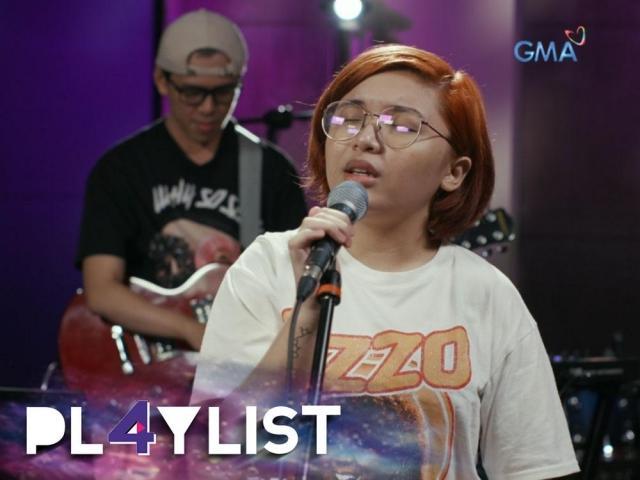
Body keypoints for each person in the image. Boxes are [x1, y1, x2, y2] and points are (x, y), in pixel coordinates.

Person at [191, 44, 579, 478]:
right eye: (349, 118)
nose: (365, 139)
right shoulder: (267, 266)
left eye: (401, 125)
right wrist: (306, 312)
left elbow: (536, 468)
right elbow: (212, 452)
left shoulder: (484, 292)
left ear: (454, 171)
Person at [76, 9, 307, 351]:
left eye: (224, 92)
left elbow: (295, 285)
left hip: (241, 353)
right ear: (161, 80)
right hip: (151, 357)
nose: (208, 107)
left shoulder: (270, 170)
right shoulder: (121, 168)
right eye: (192, 93)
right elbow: (101, 290)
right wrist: (189, 329)